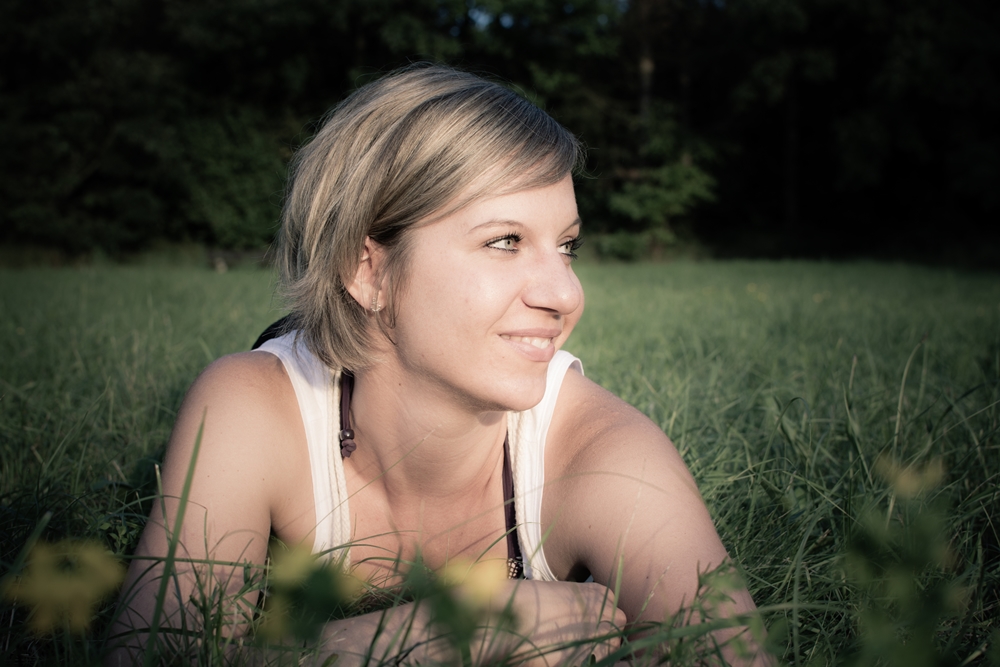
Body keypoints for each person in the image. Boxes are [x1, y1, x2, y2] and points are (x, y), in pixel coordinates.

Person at [108, 64, 767, 666]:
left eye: (566, 245)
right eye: (505, 241)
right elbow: (155, 657)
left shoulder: (603, 454)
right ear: (367, 270)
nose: (566, 295)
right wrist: (444, 633)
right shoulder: (254, 408)